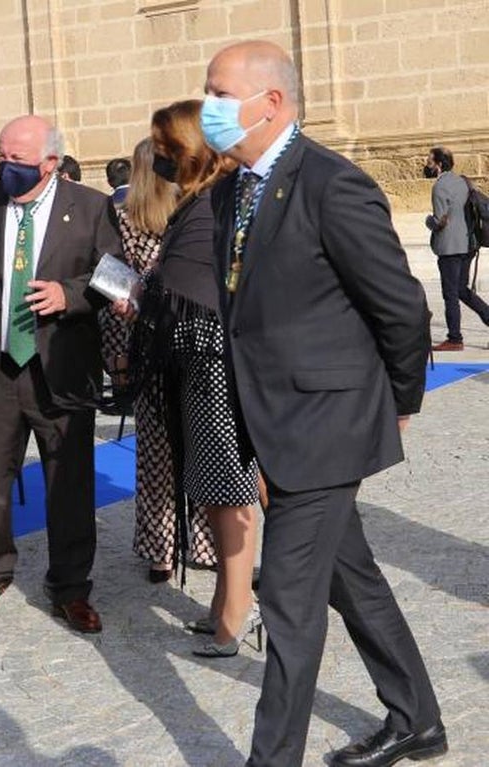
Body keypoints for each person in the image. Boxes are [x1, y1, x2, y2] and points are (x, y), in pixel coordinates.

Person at [204, 40, 445, 767]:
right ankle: (418, 718)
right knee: (352, 576)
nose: (207, 106)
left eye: (219, 93)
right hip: (275, 418)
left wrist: (401, 398)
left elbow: (401, 308)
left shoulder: (331, 183)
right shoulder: (230, 189)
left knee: (287, 595)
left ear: (271, 102)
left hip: (327, 423)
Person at [0, 115, 119, 633]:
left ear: (50, 163)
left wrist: (71, 295)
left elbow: (116, 276)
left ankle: (70, 586)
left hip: (60, 369)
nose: (5, 167)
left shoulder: (89, 206)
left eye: (17, 159)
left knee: (69, 484)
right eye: (1, 156)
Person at [121, 101, 259, 656]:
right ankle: (226, 599)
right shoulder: (203, 199)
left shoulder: (212, 205)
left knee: (229, 494)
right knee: (217, 493)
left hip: (215, 367)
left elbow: (183, 286)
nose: (156, 158)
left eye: (163, 147)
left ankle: (237, 610)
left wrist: (145, 294)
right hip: (199, 364)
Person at [100, 139, 216, 585]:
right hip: (170, 342)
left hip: (175, 344)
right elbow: (110, 282)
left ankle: (182, 546)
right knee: (178, 452)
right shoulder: (140, 217)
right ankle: (183, 546)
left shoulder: (185, 212)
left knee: (179, 452)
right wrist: (118, 354)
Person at [425, 146, 487, 351]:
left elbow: (440, 220)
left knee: (450, 293)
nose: (426, 165)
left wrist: (428, 221)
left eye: (429, 161)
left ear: (439, 164)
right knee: (461, 289)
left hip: (450, 248)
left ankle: (454, 338)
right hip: (468, 245)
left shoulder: (440, 187)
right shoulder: (463, 181)